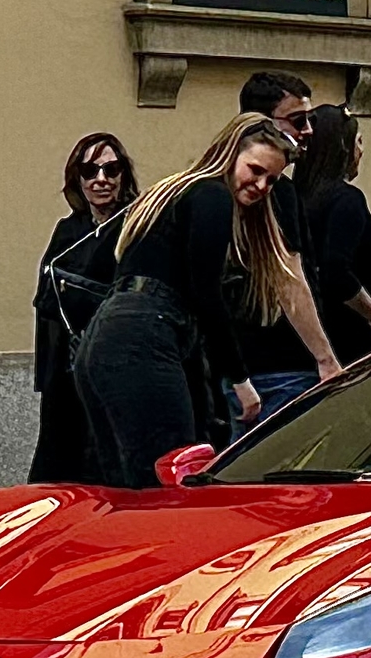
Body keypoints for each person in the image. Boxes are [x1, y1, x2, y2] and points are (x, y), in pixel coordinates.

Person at [78, 114, 302, 487]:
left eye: (272, 180)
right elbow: (205, 291)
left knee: (128, 486)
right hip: (147, 335)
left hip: (108, 336)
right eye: (256, 170)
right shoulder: (213, 195)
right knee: (170, 478)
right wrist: (241, 379)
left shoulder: (172, 193)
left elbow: (98, 260)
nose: (262, 185)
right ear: (231, 155)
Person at [231, 72, 344, 429]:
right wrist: (326, 359)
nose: (308, 129)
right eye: (298, 120)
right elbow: (289, 278)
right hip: (279, 364)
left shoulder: (239, 190)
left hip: (246, 367)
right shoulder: (276, 193)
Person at [29, 133, 135, 483]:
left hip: (116, 368)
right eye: (90, 170)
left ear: (123, 175)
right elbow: (46, 301)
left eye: (111, 169)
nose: (101, 179)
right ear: (78, 178)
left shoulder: (136, 225)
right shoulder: (68, 230)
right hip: (67, 371)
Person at [295, 107, 371, 375]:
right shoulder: (346, 200)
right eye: (358, 141)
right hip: (351, 339)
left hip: (303, 339)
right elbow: (336, 272)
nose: (361, 151)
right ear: (343, 146)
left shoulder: (290, 198)